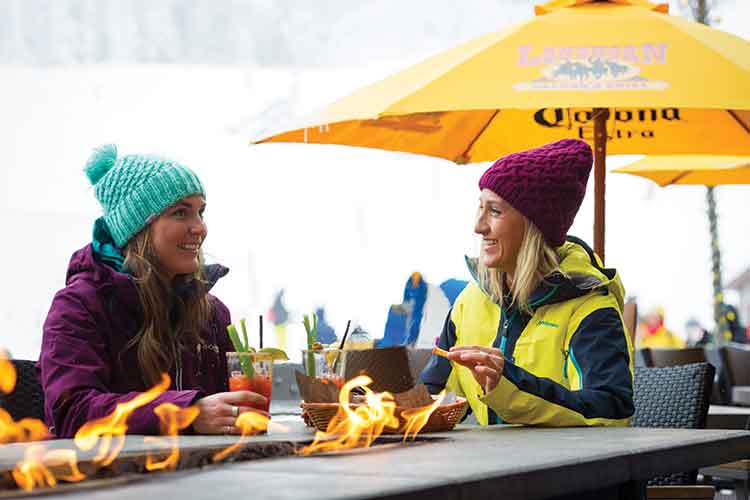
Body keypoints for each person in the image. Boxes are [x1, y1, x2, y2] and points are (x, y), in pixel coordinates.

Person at [39, 144, 265, 438]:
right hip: (114, 480)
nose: (199, 228)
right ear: (139, 228)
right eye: (181, 213)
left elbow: (231, 408)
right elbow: (73, 413)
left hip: (206, 479)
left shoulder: (212, 312)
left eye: (201, 212)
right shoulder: (79, 306)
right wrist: (185, 413)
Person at [418, 139, 634, 427]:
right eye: (480, 208)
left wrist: (506, 381)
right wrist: (364, 400)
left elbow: (611, 410)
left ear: (534, 225)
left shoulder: (590, 309)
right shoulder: (469, 301)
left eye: (494, 211)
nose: (479, 226)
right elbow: (434, 397)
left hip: (566, 470)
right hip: (488, 469)